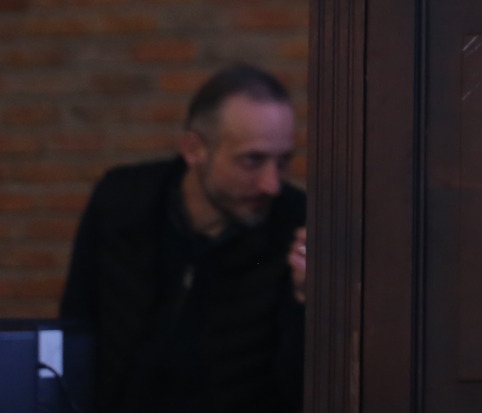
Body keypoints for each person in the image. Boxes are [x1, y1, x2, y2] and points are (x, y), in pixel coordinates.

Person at [61, 64, 307, 413]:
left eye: (282, 162)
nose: (272, 184)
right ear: (194, 150)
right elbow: (76, 327)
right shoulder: (122, 202)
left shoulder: (295, 222)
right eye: (252, 160)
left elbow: (300, 386)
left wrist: (307, 303)